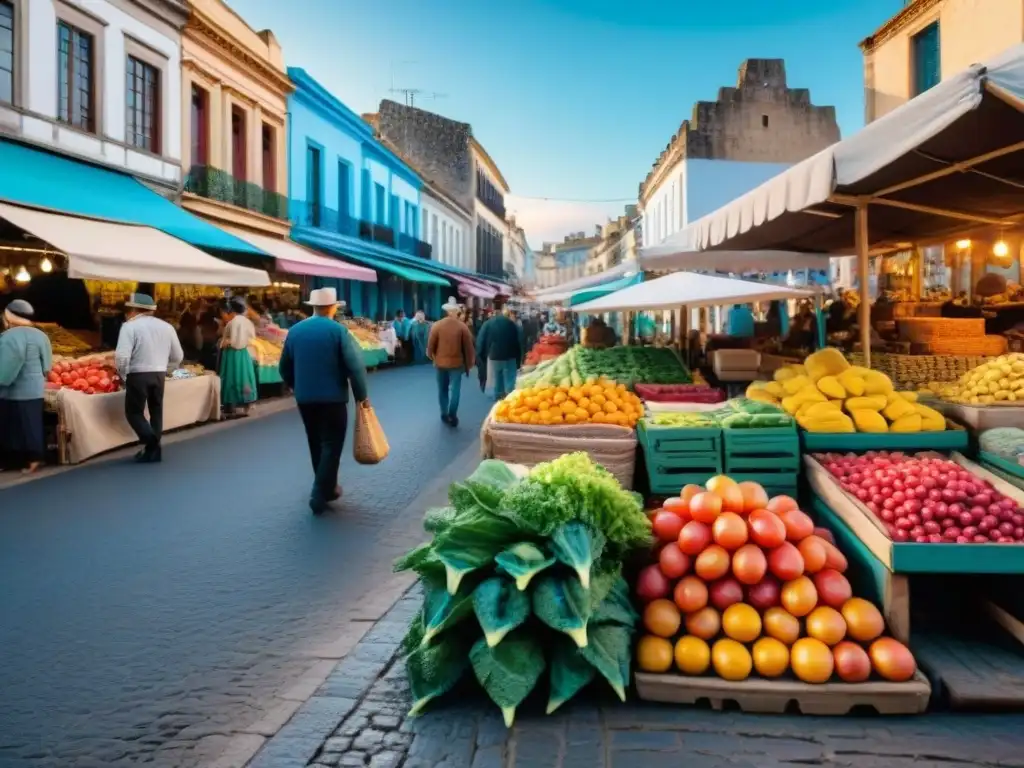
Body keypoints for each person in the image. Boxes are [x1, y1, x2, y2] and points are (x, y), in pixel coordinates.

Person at [279, 288, 368, 514]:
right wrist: (361, 396)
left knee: (315, 442)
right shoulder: (338, 331)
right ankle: (319, 493)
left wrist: (294, 384)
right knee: (331, 444)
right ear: (333, 307)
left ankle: (327, 489)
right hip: (333, 399)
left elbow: (284, 367)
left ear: (314, 306)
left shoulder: (295, 331)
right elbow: (355, 367)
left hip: (305, 399)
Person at [114, 293, 183, 463]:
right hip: (159, 374)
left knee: (134, 412)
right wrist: (167, 369)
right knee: (156, 411)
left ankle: (151, 443)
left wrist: (123, 374)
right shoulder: (167, 327)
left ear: (133, 309)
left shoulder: (129, 327)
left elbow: (122, 357)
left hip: (137, 374)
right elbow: (178, 355)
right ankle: (153, 450)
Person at [0, 300, 52, 473]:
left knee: (13, 427)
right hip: (35, 388)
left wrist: (2, 381)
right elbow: (47, 365)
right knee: (32, 424)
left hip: (15, 391)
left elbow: (8, 366)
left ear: (9, 318)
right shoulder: (41, 335)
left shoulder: (9, 337)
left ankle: (23, 460)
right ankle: (36, 458)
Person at [428, 296, 476, 427]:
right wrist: (470, 363)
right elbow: (469, 348)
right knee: (455, 390)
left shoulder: (436, 326)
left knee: (442, 389)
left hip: (440, 364)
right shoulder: (462, 327)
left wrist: (433, 357)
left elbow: (430, 346)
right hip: (457, 365)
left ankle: (444, 413)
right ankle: (452, 414)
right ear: (453, 312)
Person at [219, 298, 258, 417]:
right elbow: (252, 336)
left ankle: (231, 406)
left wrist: (226, 342)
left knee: (231, 377)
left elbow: (231, 340)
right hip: (244, 353)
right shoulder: (247, 321)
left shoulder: (232, 322)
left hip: (232, 353)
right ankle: (247, 403)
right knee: (244, 376)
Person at [476, 306, 523, 400]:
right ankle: (510, 396)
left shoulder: (488, 324)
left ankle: (498, 395)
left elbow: (480, 340)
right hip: (511, 354)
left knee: (498, 375)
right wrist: (520, 357)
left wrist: (480, 354)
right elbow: (520, 340)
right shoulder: (513, 324)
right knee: (511, 375)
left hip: (495, 355)